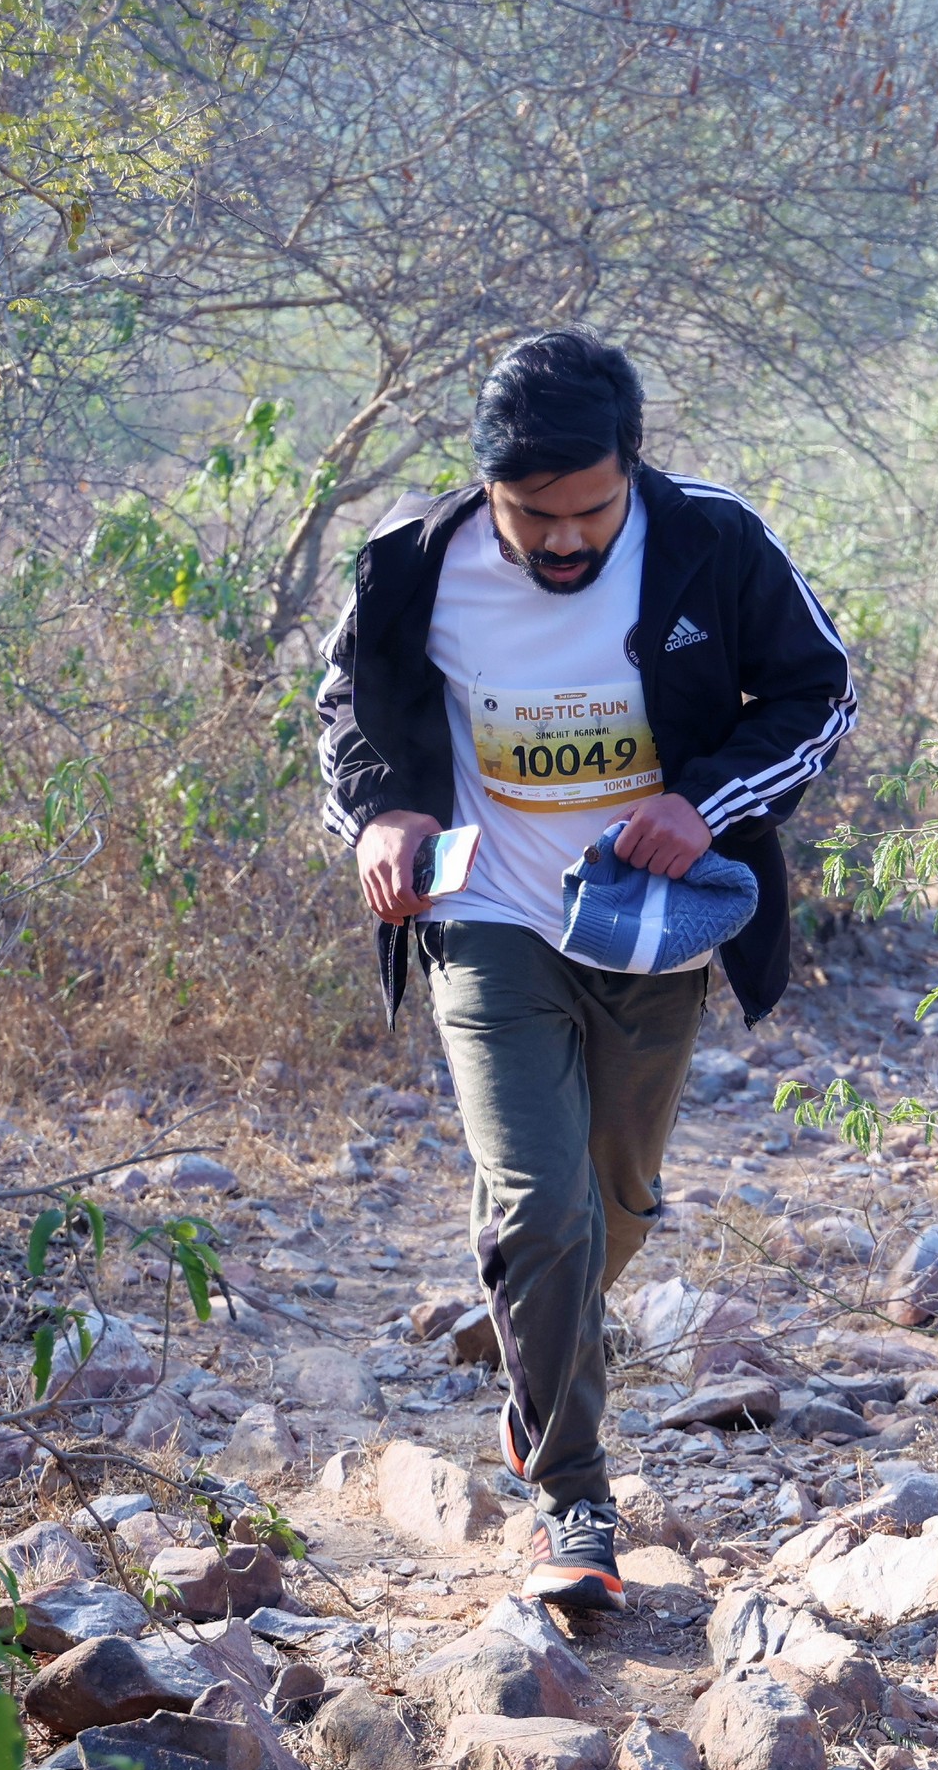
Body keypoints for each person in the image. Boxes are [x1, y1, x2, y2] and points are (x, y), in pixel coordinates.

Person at [313, 331, 857, 1611]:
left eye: (591, 512)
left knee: (613, 1204)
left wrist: (703, 801)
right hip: (487, 915)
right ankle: (574, 1495)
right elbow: (343, 708)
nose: (563, 540)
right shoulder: (412, 557)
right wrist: (380, 815)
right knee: (539, 1207)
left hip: (648, 922)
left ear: (633, 471)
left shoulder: (712, 540)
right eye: (532, 514)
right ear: (486, 485)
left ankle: (531, 1356)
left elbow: (818, 694)